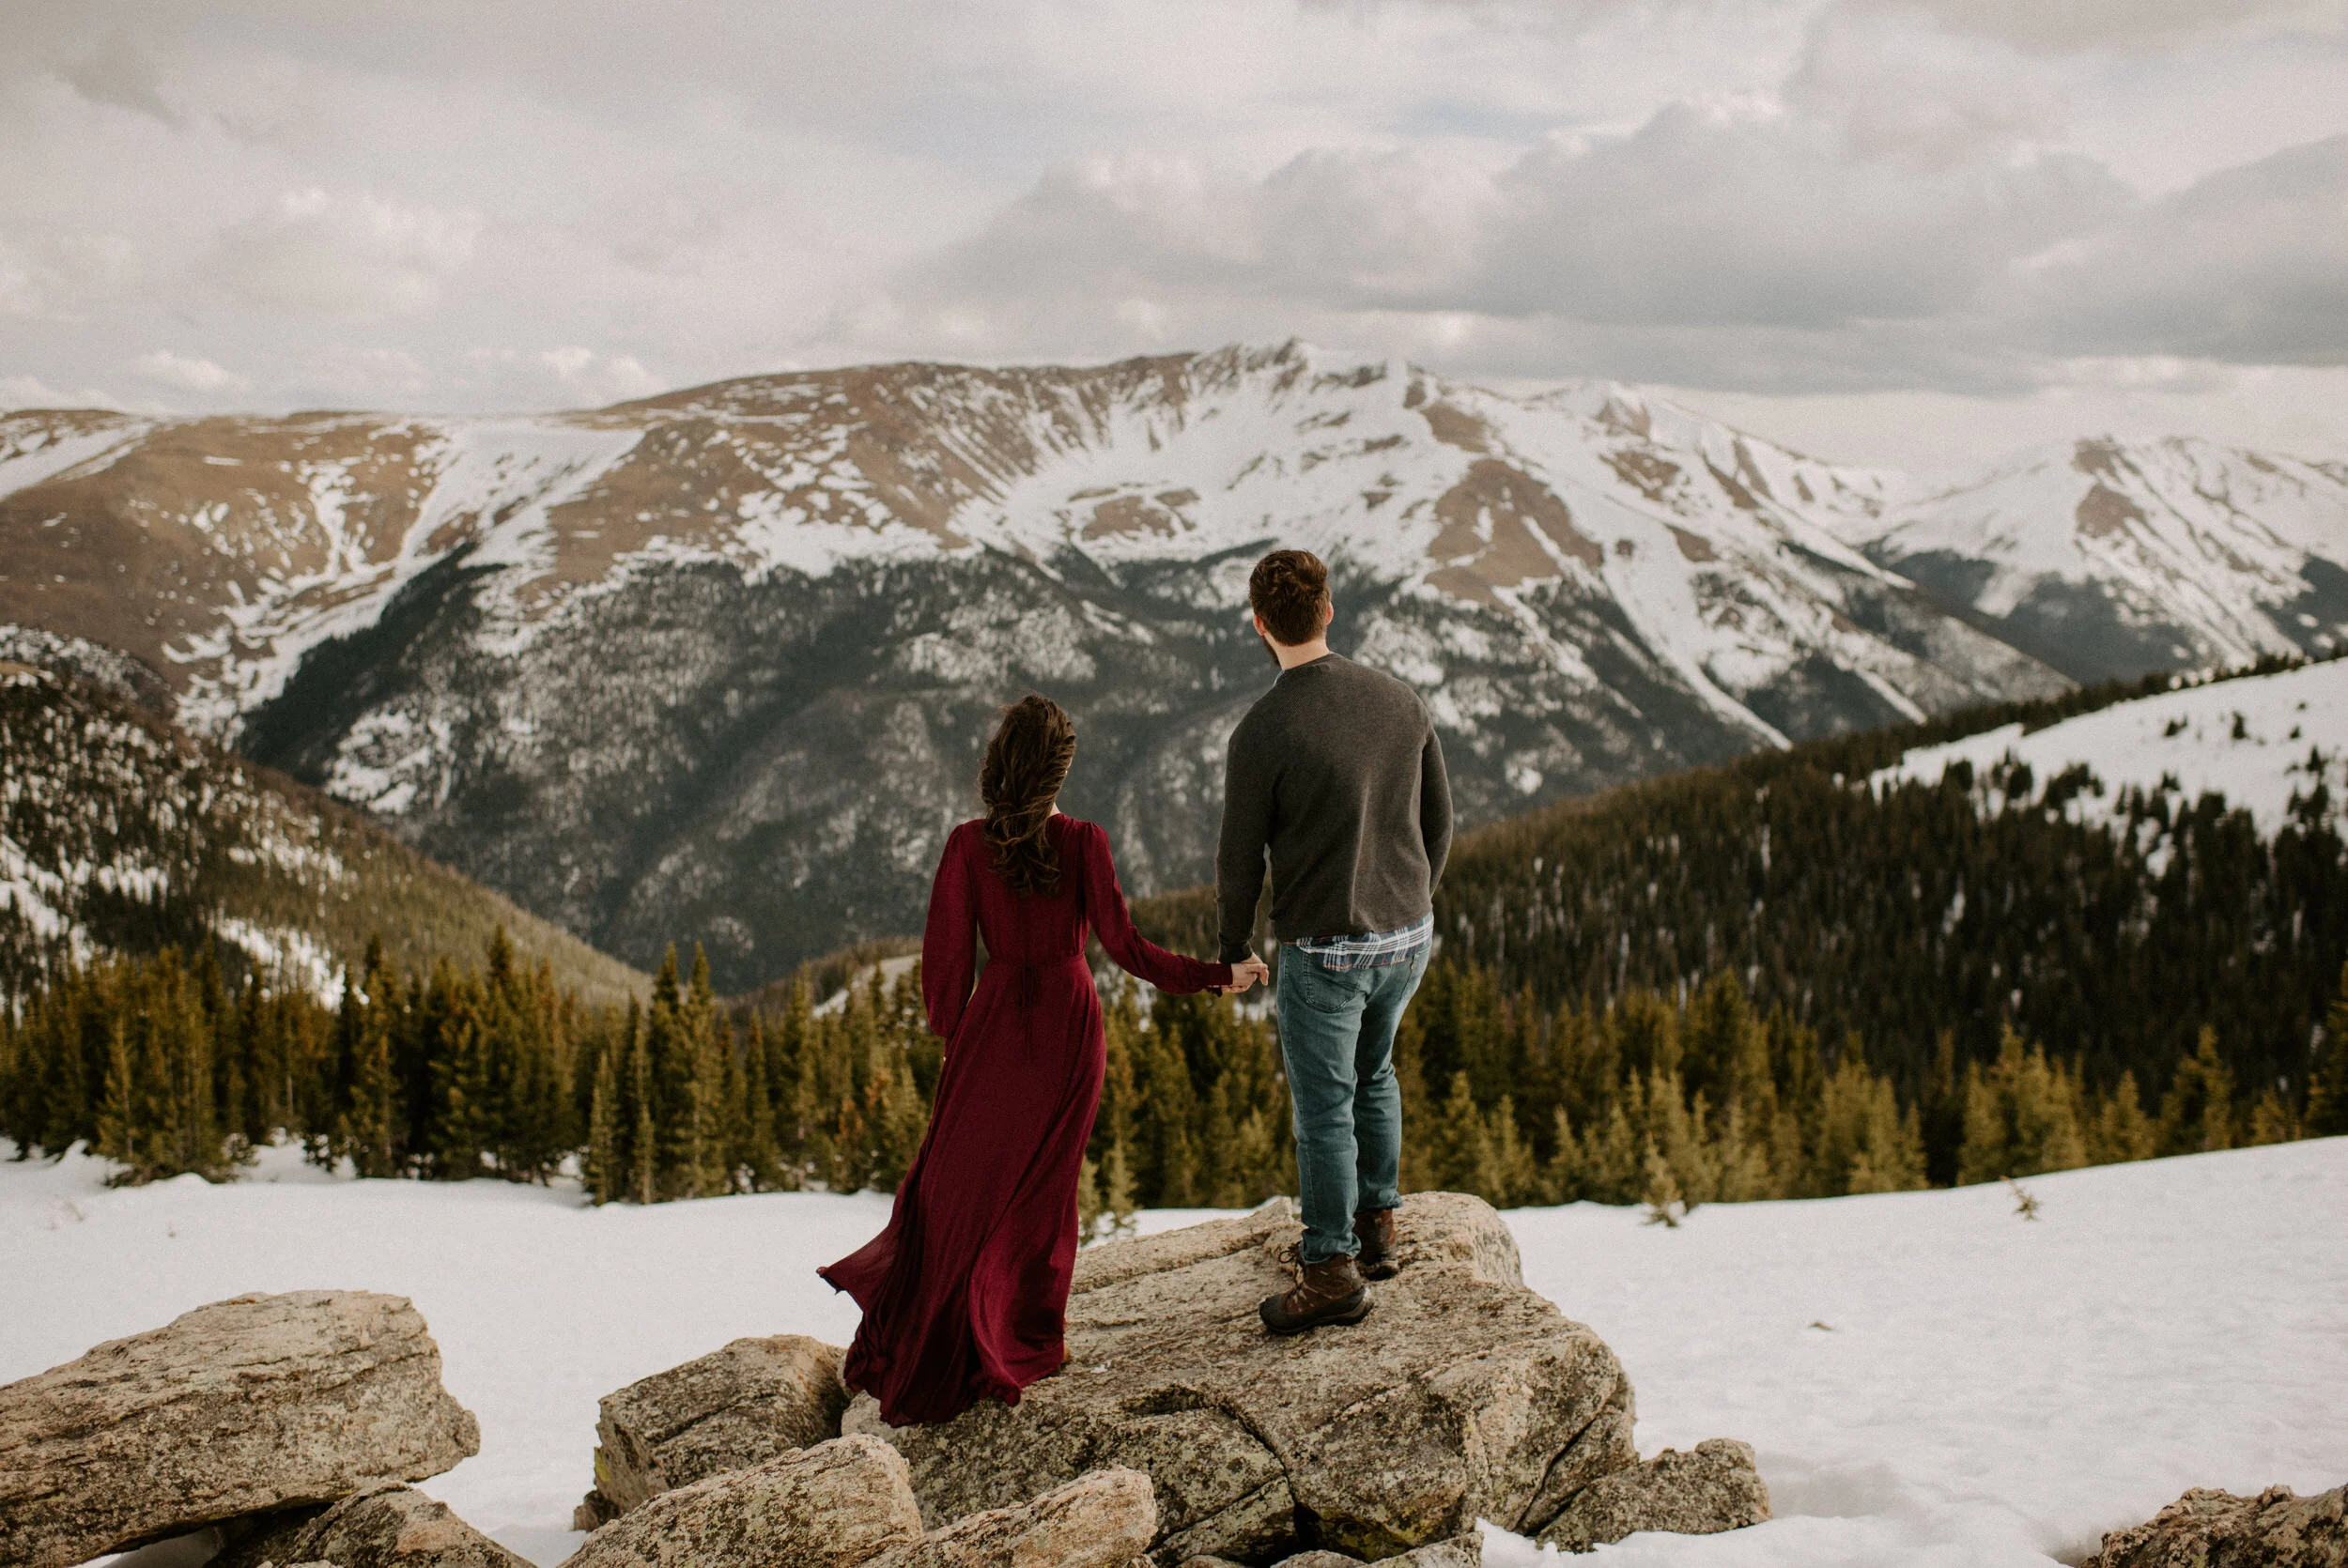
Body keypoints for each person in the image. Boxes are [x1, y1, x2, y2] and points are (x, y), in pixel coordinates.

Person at [819, 694, 1254, 1425]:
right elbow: (1128, 951)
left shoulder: (966, 844)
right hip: (1068, 1029)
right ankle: (1023, 1337)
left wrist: (956, 1041)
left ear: (998, 765)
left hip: (991, 1029)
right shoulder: (1086, 841)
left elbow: (947, 963)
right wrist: (1217, 972)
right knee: (1042, 1195)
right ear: (1060, 769)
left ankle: (944, 1334)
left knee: (955, 1191)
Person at [1216, 548, 1452, 1334]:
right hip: (1408, 933)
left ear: (1259, 625)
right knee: (1375, 1071)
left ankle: (1329, 1268)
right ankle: (1378, 1227)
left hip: (1327, 946)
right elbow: (1438, 822)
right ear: (1328, 610)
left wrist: (1233, 947)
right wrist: (1413, 902)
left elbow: (1240, 857)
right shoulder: (1399, 700)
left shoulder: (1262, 730)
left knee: (1324, 1108)